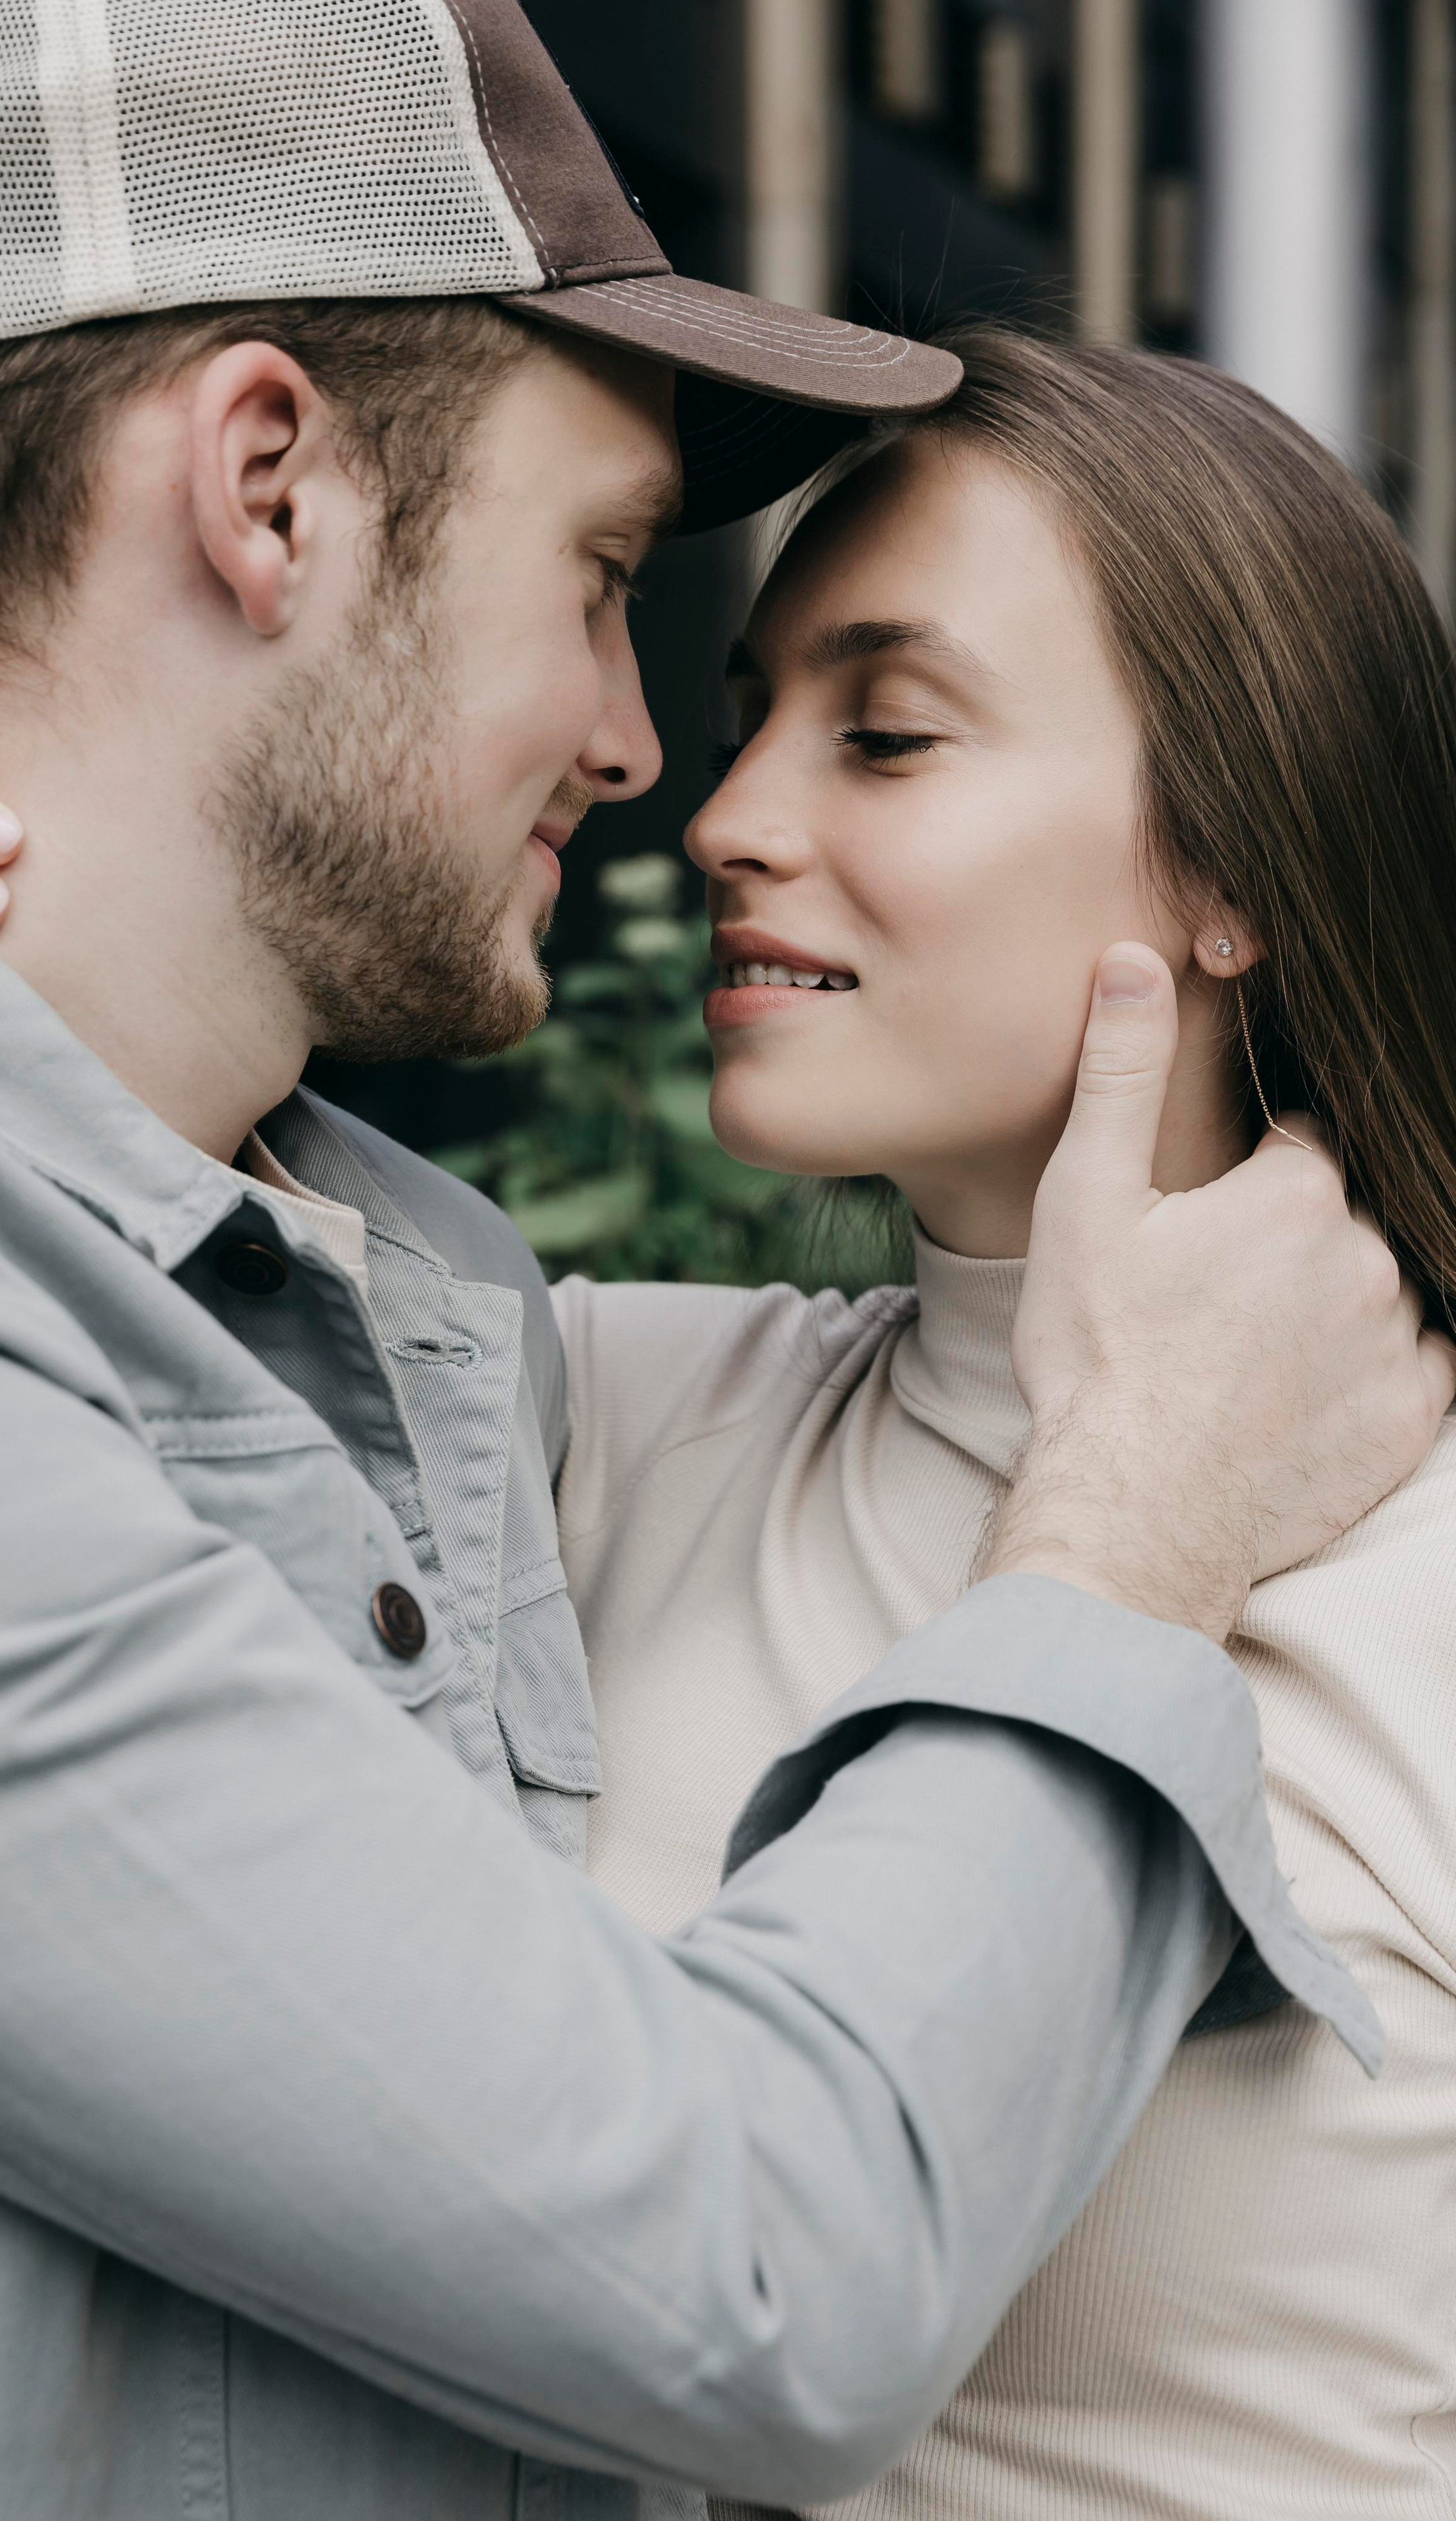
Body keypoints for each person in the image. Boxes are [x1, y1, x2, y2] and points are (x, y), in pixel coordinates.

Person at [0, 14, 1444, 2521]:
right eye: (602, 581)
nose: (676, 775)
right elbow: (756, 2265)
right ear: (261, 489)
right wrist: (1136, 1522)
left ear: (1240, 849)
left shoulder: (420, 1355)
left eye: (888, 733)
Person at [543, 328, 1456, 2520]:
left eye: (886, 733)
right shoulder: (581, 1416)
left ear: (1237, 864)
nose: (726, 818)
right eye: (755, 721)